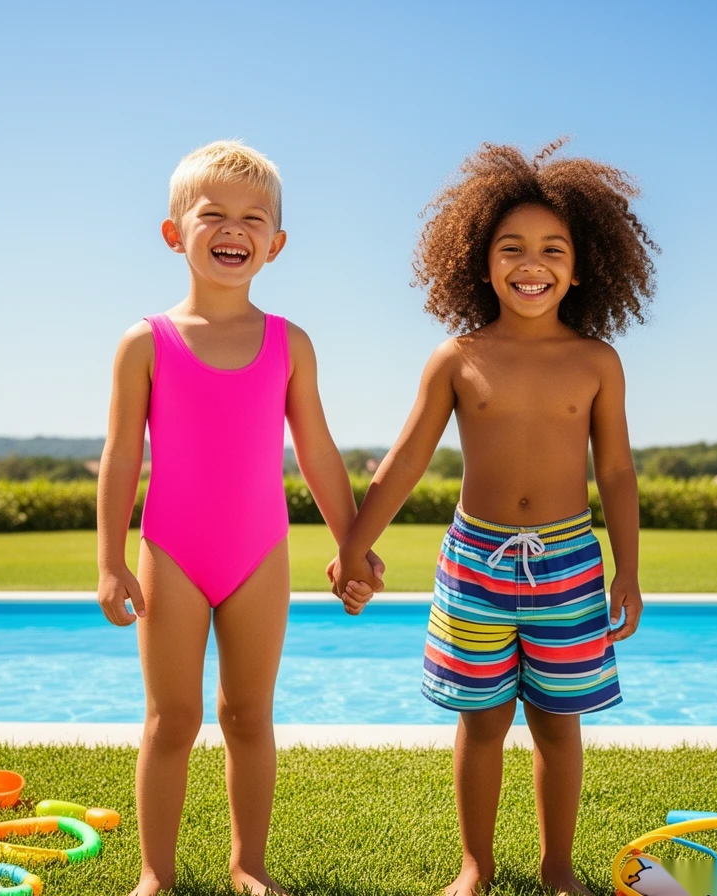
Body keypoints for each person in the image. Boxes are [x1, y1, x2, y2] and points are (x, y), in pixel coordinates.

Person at [332, 140, 657, 896]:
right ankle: (474, 865)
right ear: (481, 262)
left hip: (570, 564)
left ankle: (555, 867)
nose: (530, 263)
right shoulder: (456, 357)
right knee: (481, 722)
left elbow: (614, 472)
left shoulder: (597, 361)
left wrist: (628, 572)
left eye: (552, 249)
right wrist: (354, 547)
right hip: (474, 562)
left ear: (581, 267)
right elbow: (405, 460)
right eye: (511, 248)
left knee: (556, 722)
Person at [97, 140, 383, 896]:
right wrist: (110, 560)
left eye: (253, 217)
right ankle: (155, 873)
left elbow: (317, 452)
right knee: (172, 718)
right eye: (213, 213)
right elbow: (122, 457)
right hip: (172, 552)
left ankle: (247, 866)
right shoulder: (145, 344)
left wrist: (353, 546)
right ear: (173, 232)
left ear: (276, 244)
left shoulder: (289, 344)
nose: (234, 229)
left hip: (260, 554)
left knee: (249, 715)